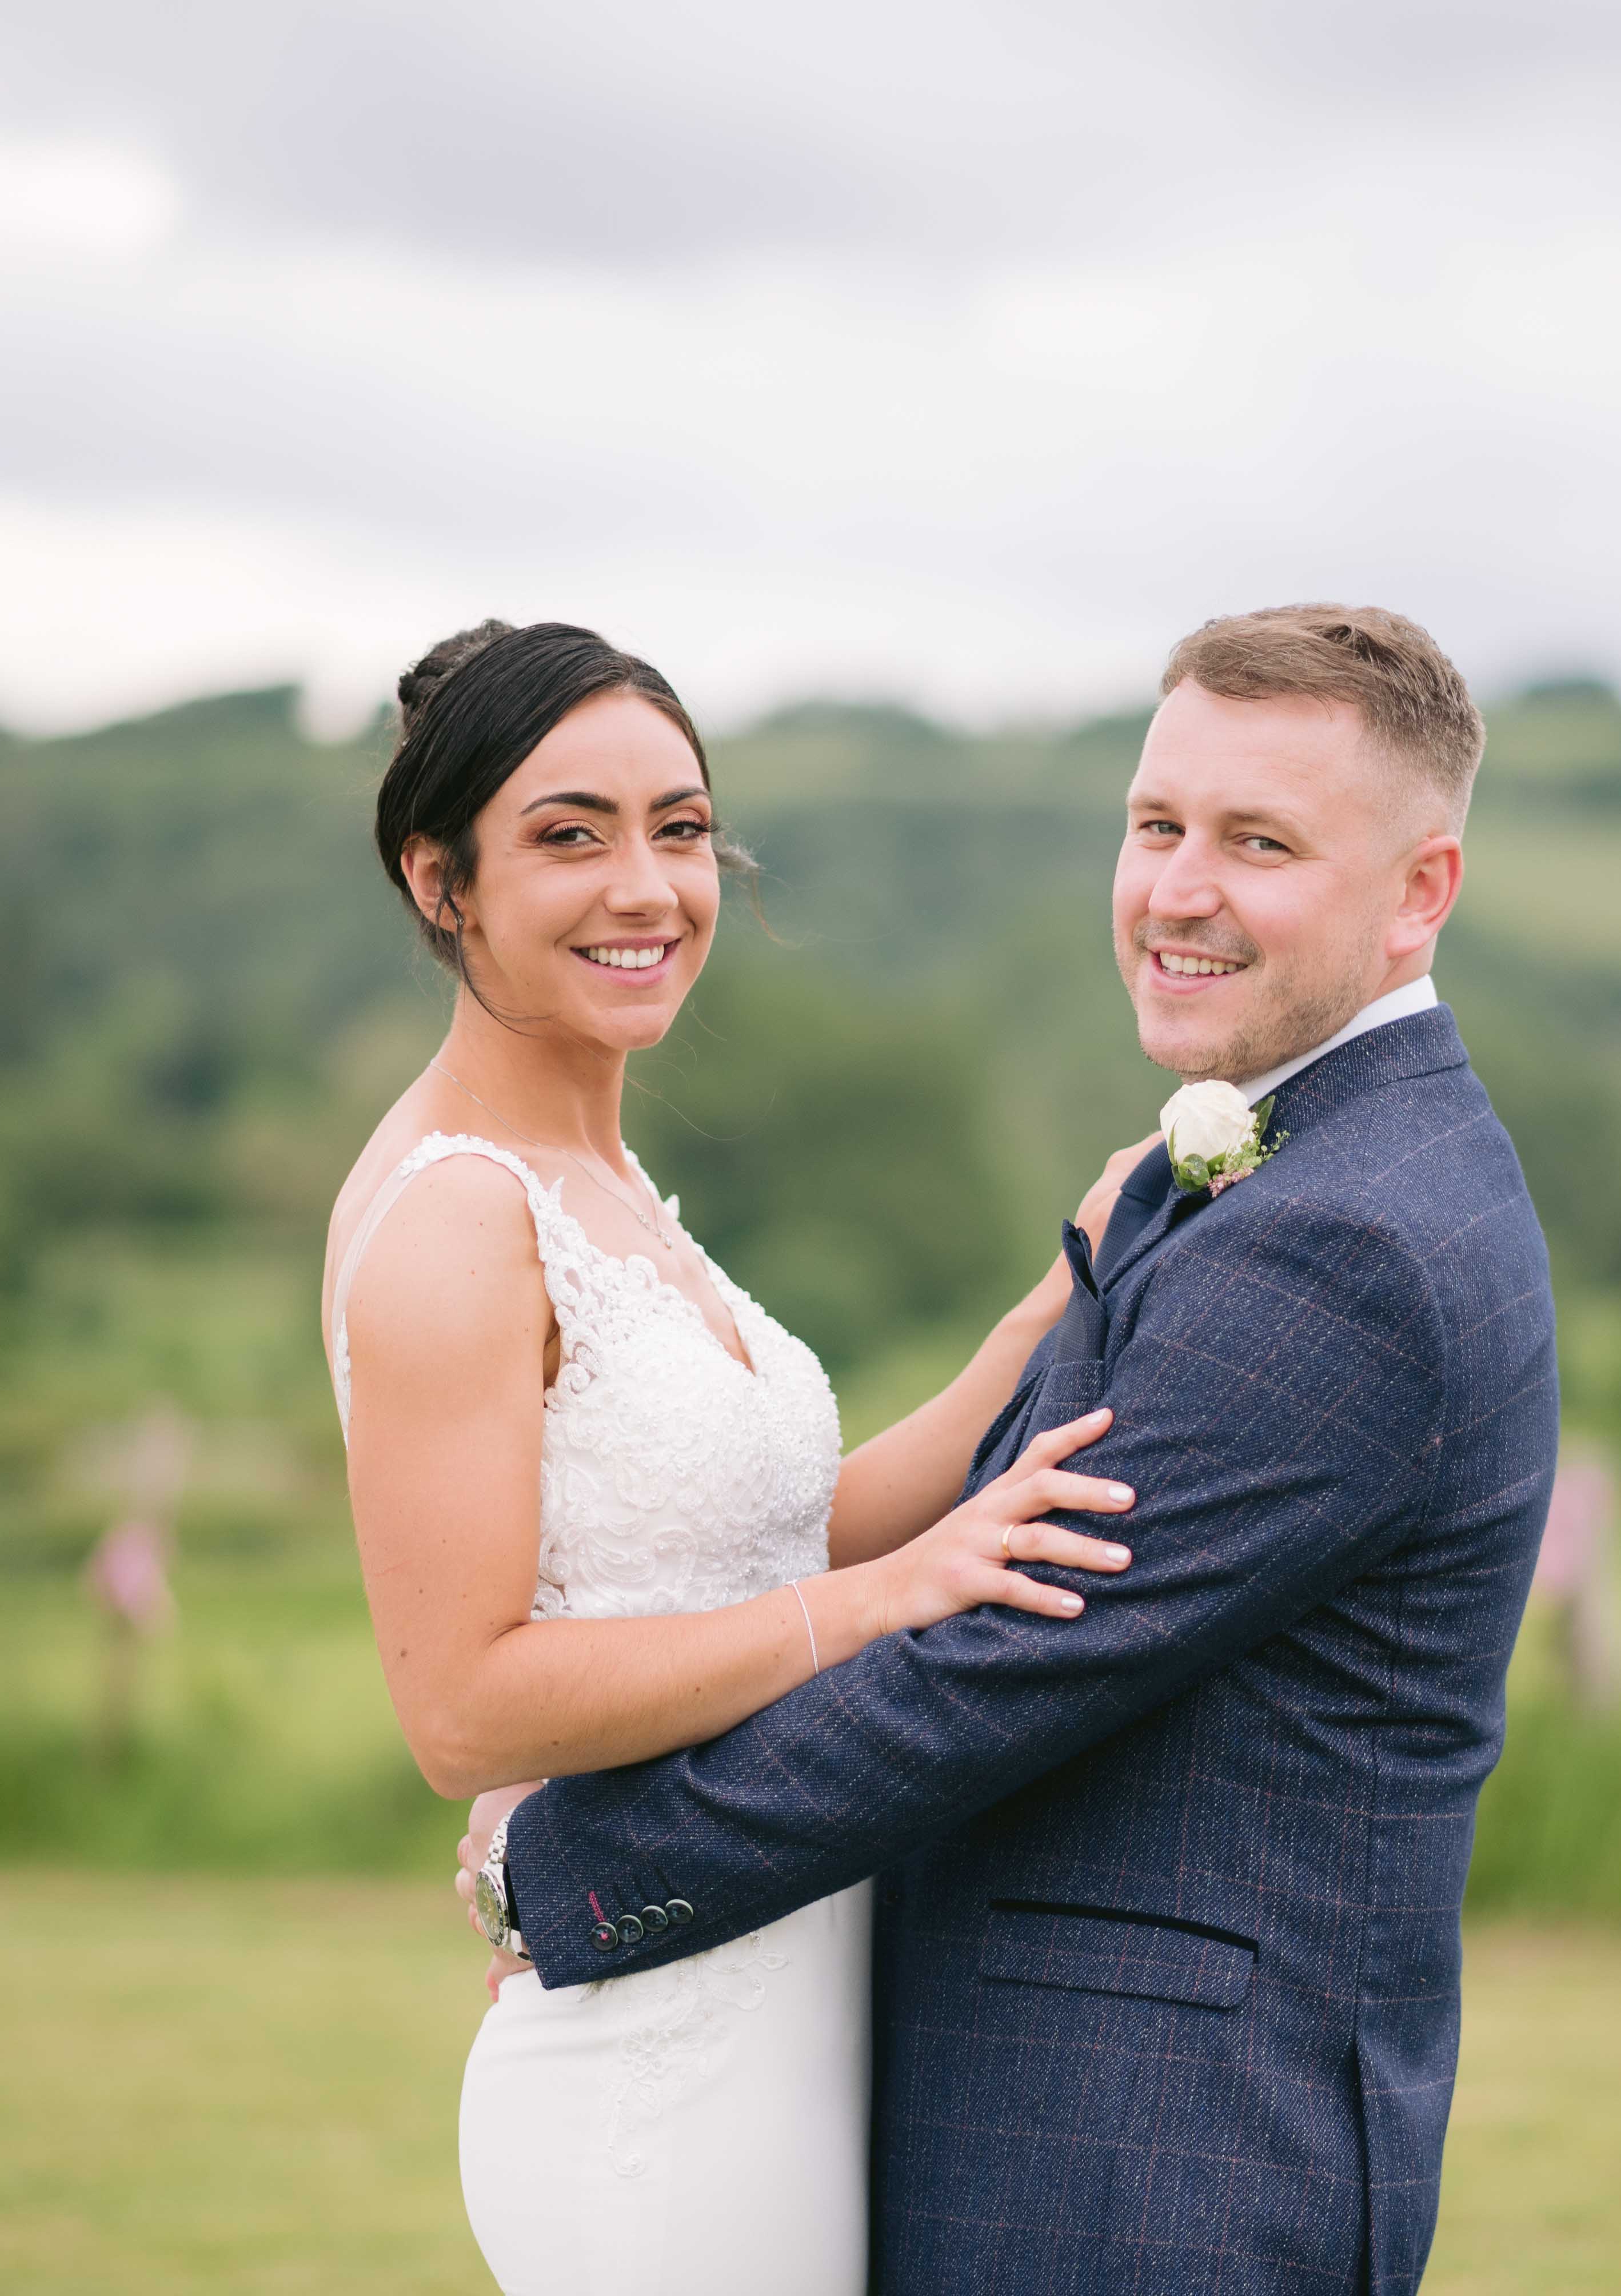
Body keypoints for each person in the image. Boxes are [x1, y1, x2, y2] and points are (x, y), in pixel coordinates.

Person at [473, 603, 1562, 2295]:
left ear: (1422, 890)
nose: (1178, 891)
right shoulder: (1300, 1166)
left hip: (1155, 2171)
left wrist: (570, 1870)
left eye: (1258, 842)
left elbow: (996, 1664)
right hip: (1091, 2138)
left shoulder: (1347, 1239)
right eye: (1157, 826)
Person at [324, 619, 1148, 2296]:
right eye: (571, 835)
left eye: (680, 828)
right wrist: (885, 1607)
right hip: (652, 2072)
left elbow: (770, 1540)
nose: (649, 886)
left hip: (778, 1995)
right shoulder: (459, 1219)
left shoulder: (602, 1187)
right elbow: (463, 1705)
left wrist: (1049, 1308)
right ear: (440, 879)